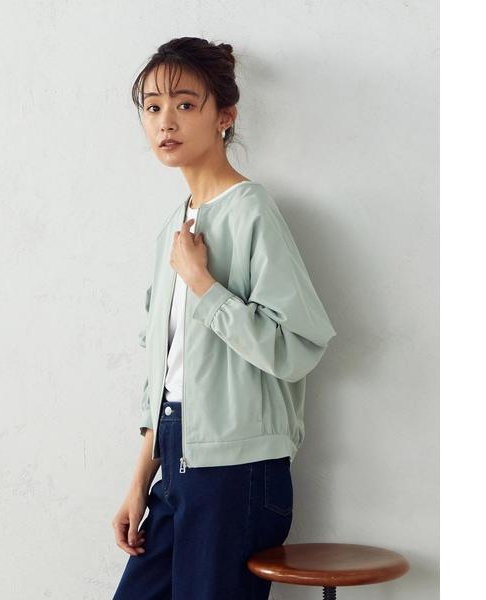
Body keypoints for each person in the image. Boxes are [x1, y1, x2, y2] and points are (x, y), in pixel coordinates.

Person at [112, 37, 337, 600]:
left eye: (185, 104)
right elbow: (166, 375)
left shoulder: (252, 210)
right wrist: (139, 481)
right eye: (153, 106)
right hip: (175, 456)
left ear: (225, 116)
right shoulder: (173, 229)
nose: (166, 121)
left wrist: (204, 286)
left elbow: (296, 346)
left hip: (238, 471)